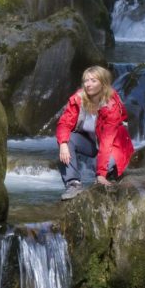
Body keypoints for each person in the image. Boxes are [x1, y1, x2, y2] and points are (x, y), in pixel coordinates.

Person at [55, 65, 135, 200]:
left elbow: (107, 140)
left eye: (93, 80)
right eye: (86, 80)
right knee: (67, 140)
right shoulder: (78, 99)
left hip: (115, 145)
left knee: (96, 166)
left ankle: (110, 175)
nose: (88, 84)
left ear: (103, 83)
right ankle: (73, 184)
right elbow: (64, 123)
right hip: (91, 142)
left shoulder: (111, 105)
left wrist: (101, 174)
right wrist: (63, 144)